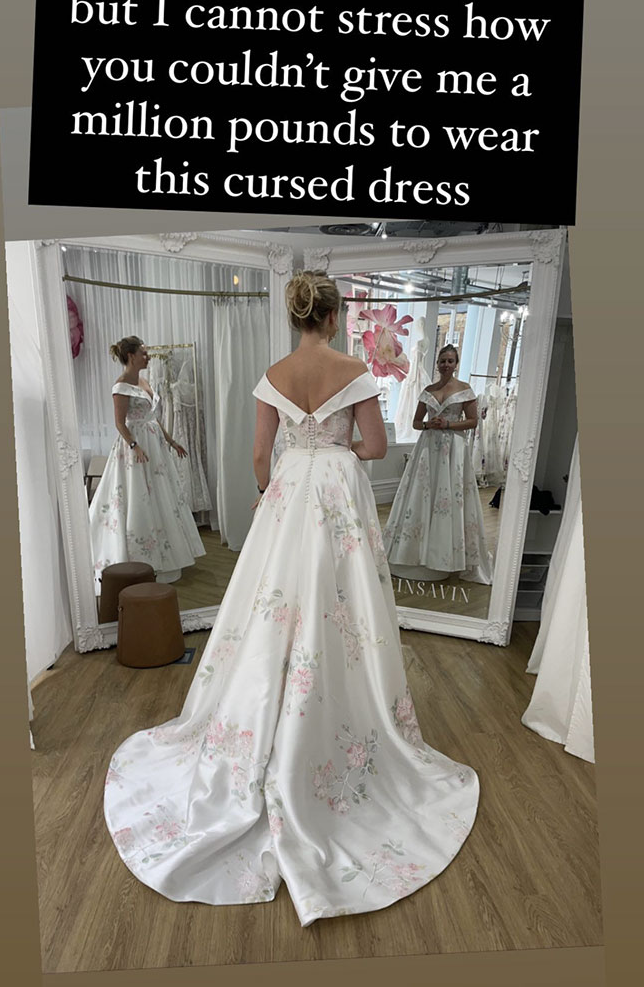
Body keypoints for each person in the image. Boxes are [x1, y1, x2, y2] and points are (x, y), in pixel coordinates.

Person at [104, 278, 479, 926]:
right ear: (332, 316)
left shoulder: (272, 374)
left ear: (296, 315)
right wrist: (338, 449)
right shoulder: (354, 370)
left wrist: (274, 486)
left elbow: (259, 455)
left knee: (271, 606)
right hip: (336, 487)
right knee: (343, 606)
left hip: (288, 488)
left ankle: (260, 719)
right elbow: (376, 448)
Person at [89, 335, 205, 585]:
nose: (148, 356)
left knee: (161, 495)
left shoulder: (143, 381)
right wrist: (135, 446)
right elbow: (120, 423)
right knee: (138, 496)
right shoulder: (120, 387)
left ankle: (166, 556)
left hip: (154, 444)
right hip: (136, 447)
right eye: (143, 352)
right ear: (131, 356)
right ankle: (139, 558)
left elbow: (153, 417)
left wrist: (171, 441)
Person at [383, 344, 492, 584]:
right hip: (428, 448)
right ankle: (414, 552)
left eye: (450, 361)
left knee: (448, 494)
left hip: (453, 449)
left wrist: (449, 425)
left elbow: (473, 421)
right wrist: (428, 425)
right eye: (442, 361)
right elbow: (415, 422)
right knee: (422, 493)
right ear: (437, 363)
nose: (446, 365)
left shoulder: (465, 389)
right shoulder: (428, 390)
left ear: (456, 364)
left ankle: (445, 556)